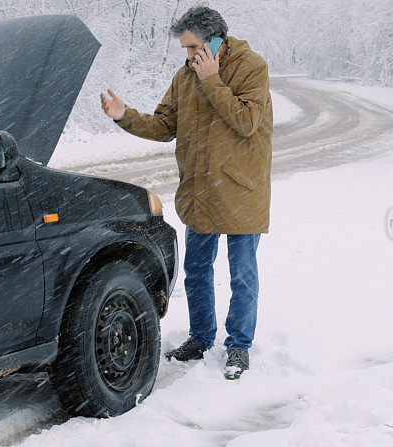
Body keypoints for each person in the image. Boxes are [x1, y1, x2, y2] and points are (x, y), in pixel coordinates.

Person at [100, 6, 273, 380]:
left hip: (242, 190)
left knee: (242, 274)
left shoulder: (251, 67)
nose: (189, 54)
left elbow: (246, 122)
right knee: (196, 271)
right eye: (185, 48)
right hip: (201, 191)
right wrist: (123, 115)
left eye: (192, 46)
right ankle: (200, 338)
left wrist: (212, 80)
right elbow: (164, 125)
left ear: (215, 39)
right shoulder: (185, 76)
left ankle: (239, 346)